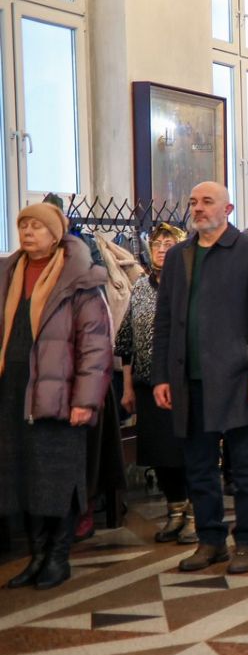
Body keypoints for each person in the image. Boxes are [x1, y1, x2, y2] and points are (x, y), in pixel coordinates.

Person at [152, 182, 248, 575]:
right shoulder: (180, 256)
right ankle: (210, 540)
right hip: (189, 379)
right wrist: (162, 376)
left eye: (207, 202)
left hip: (239, 377)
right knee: (199, 467)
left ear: (228, 208)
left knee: (245, 469)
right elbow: (165, 319)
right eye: (193, 202)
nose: (198, 208)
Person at [1, 203, 111, 590]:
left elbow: (96, 346)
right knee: (24, 477)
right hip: (13, 391)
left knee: (57, 479)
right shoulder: (8, 273)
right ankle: (37, 556)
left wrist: (85, 400)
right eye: (23, 226)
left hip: (59, 394)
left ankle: (58, 557)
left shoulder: (79, 278)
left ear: (55, 234)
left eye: (37, 226)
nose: (28, 233)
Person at [117, 223, 194, 545]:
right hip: (148, 384)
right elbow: (126, 341)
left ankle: (195, 515)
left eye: (168, 243)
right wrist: (128, 386)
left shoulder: (190, 284)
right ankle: (175, 510)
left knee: (186, 451)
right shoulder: (140, 287)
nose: (162, 249)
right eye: (157, 243)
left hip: (183, 384)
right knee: (160, 453)